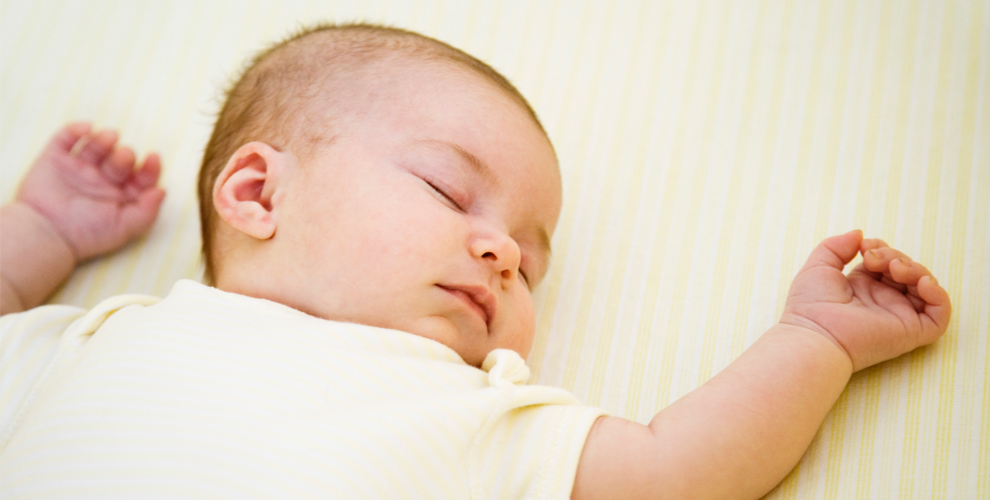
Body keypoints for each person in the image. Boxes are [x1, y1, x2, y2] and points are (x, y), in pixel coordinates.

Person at [0, 23, 951, 499]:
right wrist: (42, 231)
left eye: (533, 265)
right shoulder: (104, 337)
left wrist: (816, 338)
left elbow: (672, 473)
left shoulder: (463, 407)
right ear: (258, 196)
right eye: (450, 193)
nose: (502, 252)